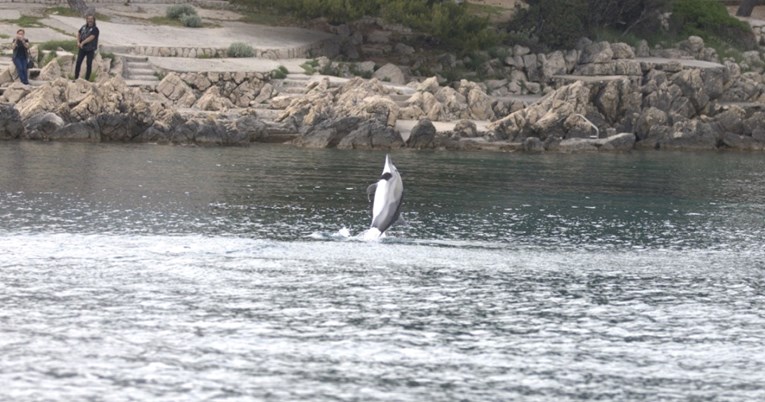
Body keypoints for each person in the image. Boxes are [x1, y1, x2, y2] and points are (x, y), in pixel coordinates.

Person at [74, 14, 99, 81]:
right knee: (78, 62)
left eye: (91, 19)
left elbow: (91, 37)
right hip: (82, 48)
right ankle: (76, 78)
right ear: (87, 20)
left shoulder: (95, 29)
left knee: (89, 64)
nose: (90, 20)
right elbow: (79, 33)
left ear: (94, 20)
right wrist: (78, 42)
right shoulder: (83, 27)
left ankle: (86, 79)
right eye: (88, 19)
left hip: (90, 49)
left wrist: (83, 43)